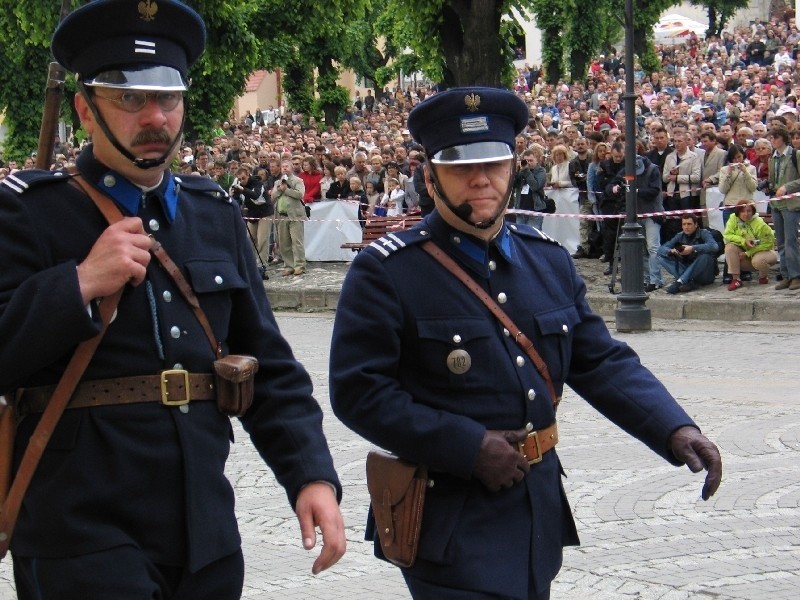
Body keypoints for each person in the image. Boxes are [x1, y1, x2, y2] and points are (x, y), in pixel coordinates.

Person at [0, 1, 345, 597]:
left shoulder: (212, 213)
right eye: (129, 99)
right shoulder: (29, 212)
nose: (155, 116)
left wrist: (310, 475)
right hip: (81, 529)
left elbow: (270, 363)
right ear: (85, 110)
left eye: (168, 99)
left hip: (201, 525)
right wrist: (78, 282)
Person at [329, 87, 721, 600]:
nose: (481, 179)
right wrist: (467, 447)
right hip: (448, 516)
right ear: (430, 177)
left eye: (494, 164)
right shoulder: (389, 271)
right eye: (461, 167)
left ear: (513, 169)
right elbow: (359, 393)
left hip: (536, 509)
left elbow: (600, 361)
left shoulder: (546, 260)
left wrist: (674, 427)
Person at [768, 125, 800, 290]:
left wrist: (787, 187)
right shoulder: (772, 158)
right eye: (771, 137)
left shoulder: (795, 154)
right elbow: (773, 181)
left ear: (783, 138)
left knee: (790, 241)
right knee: (780, 241)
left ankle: (796, 276)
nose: (772, 140)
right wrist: (768, 185)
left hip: (791, 203)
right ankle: (786, 274)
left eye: (775, 137)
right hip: (776, 203)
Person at [723, 200, 778, 289]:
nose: (746, 214)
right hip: (746, 251)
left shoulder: (759, 223)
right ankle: (736, 279)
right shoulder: (733, 218)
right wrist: (743, 241)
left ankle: (763, 277)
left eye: (749, 211)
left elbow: (768, 243)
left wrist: (747, 253)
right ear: (738, 212)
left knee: (758, 261)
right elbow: (727, 235)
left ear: (753, 211)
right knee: (729, 247)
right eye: (743, 211)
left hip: (765, 251)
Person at [658, 214, 719, 294]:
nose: (686, 227)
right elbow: (661, 249)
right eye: (684, 224)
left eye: (689, 224)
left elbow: (714, 246)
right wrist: (671, 251)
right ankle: (689, 282)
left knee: (705, 256)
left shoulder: (704, 233)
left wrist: (693, 248)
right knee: (661, 257)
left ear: (696, 225)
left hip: (705, 273)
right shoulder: (680, 235)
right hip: (687, 268)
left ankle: (680, 281)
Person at [273, 158, 308, 276]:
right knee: (284, 243)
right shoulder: (277, 183)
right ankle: (288, 266)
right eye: (283, 167)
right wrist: (280, 189)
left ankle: (299, 265)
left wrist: (286, 190)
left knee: (297, 242)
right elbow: (273, 197)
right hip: (281, 216)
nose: (285, 168)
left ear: (292, 168)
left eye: (287, 166)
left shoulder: (298, 180)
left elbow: (300, 194)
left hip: (295, 216)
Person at [717, 144, 757, 225]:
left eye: (739, 157)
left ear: (743, 155)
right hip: (730, 206)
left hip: (746, 206)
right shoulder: (724, 170)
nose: (737, 160)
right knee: (730, 234)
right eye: (734, 158)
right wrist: (728, 174)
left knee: (748, 234)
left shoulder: (751, 168)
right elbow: (722, 189)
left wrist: (745, 172)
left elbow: (753, 187)